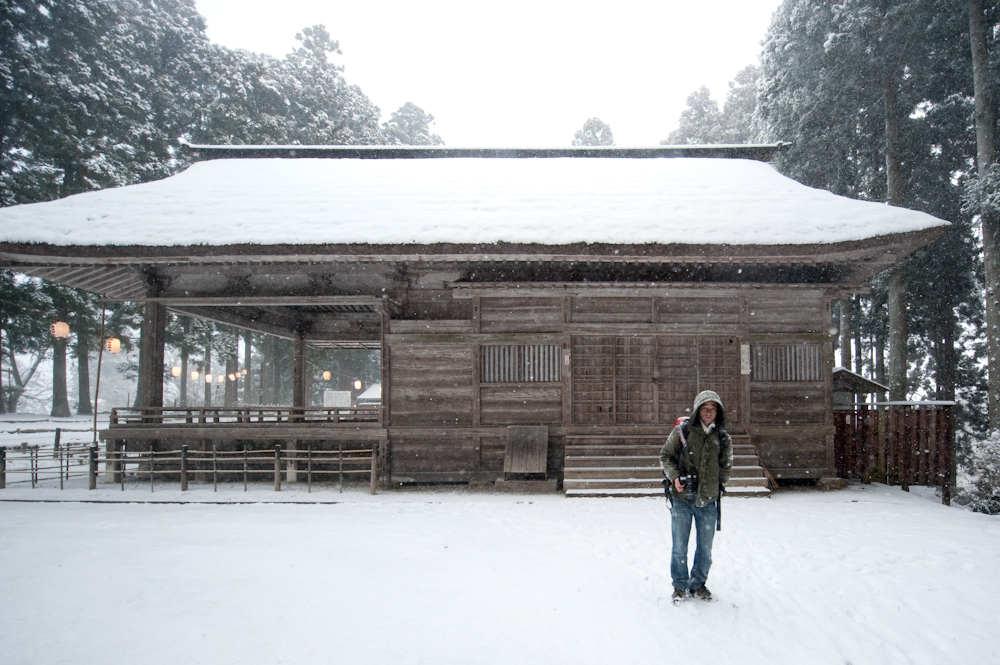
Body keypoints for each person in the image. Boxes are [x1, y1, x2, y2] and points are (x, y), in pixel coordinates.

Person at [660, 389, 733, 603]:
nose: (708, 413)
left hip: (708, 501)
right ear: (697, 411)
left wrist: (718, 486)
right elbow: (665, 455)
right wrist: (674, 477)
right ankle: (680, 586)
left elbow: (726, 465)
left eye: (712, 409)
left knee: (705, 549)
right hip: (682, 499)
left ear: (718, 412)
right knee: (679, 547)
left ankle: (698, 584)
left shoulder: (722, 437)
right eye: (704, 408)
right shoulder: (682, 431)